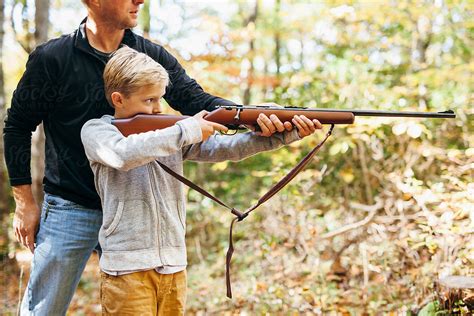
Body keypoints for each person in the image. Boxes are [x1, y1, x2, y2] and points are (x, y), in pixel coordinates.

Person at [3, 0, 318, 314]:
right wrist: (24, 202)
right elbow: (17, 125)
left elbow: (200, 104)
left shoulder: (151, 57)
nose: (140, 0)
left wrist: (262, 122)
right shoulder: (53, 59)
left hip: (137, 214)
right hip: (73, 205)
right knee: (42, 309)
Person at [80, 46, 321, 315]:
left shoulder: (170, 133)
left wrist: (282, 136)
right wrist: (187, 129)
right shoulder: (96, 131)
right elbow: (123, 154)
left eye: (160, 99)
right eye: (149, 100)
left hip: (173, 265)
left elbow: (225, 148)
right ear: (118, 99)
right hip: (126, 269)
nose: (159, 108)